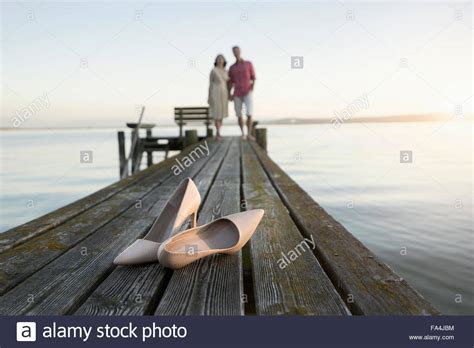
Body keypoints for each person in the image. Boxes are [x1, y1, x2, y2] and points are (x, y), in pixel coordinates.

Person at [228, 46, 256, 140]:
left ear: (240, 51)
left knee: (249, 113)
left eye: (237, 51)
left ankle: (249, 134)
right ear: (233, 53)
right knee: (239, 114)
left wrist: (252, 88)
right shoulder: (231, 68)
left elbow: (253, 77)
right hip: (236, 93)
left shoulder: (248, 64)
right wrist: (229, 94)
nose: (236, 53)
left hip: (247, 91)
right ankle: (243, 134)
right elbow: (231, 82)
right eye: (234, 51)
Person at [208, 54, 229, 141]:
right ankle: (217, 132)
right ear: (216, 61)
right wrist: (209, 96)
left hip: (224, 93)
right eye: (218, 59)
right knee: (217, 113)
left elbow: (228, 84)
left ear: (224, 61)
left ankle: (219, 130)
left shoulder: (226, 71)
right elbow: (210, 84)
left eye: (222, 59)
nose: (220, 60)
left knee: (222, 113)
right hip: (215, 92)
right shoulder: (213, 70)